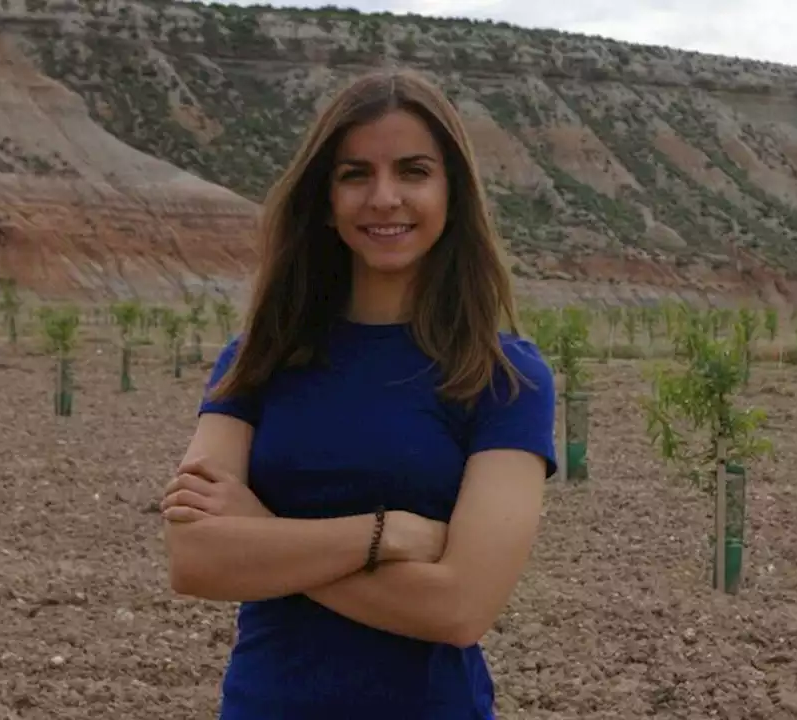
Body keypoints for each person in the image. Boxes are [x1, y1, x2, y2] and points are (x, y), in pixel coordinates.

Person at [157, 68, 558, 719]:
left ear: (453, 193)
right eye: (355, 175)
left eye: (413, 171)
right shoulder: (258, 360)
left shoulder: (506, 378)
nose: (384, 197)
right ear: (325, 199)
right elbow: (196, 558)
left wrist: (263, 536)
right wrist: (385, 534)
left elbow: (458, 608)